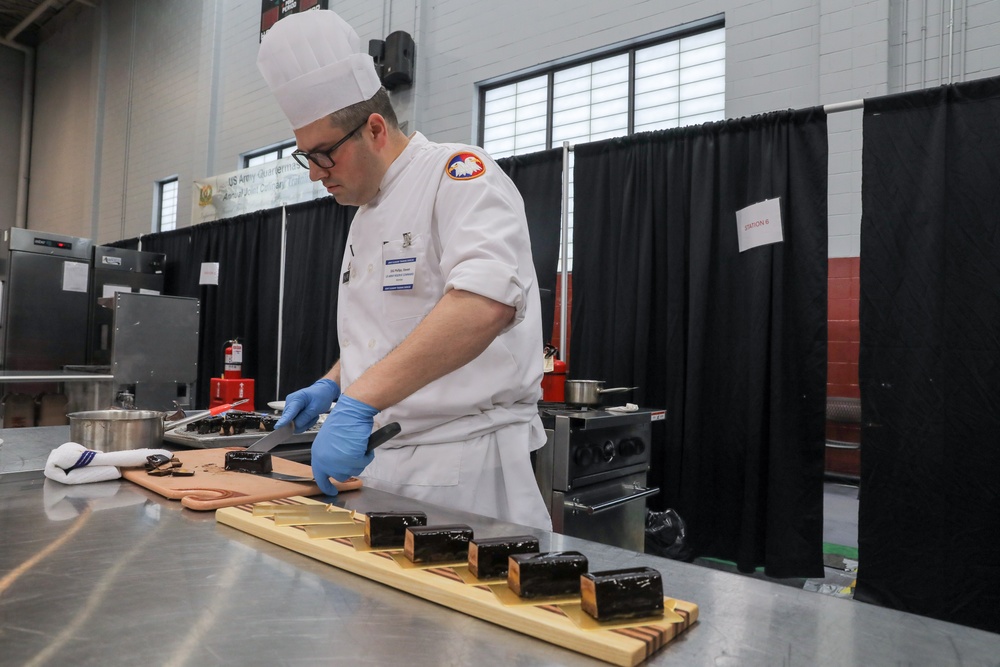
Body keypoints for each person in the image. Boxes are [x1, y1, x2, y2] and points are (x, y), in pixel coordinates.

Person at [257, 10, 551, 529]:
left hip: (466, 467)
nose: (316, 176)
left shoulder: (458, 174)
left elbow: (484, 304)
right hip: (384, 462)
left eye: (323, 156)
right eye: (307, 159)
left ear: (374, 129)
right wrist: (334, 383)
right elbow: (391, 332)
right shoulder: (365, 212)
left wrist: (360, 401)